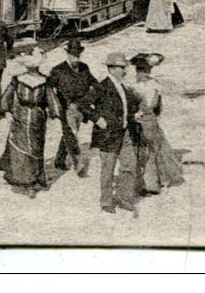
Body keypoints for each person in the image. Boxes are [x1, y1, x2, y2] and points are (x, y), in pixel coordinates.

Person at [0, 48, 62, 198]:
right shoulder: (18, 80)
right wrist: (7, 111)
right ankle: (26, 182)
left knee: (36, 148)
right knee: (20, 148)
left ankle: (36, 178)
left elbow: (52, 99)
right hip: (20, 117)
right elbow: (7, 96)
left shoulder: (45, 81)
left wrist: (56, 114)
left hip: (38, 119)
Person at [81, 52, 141, 214]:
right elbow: (84, 104)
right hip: (108, 136)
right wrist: (97, 119)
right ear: (112, 69)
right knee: (108, 169)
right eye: (122, 68)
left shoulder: (122, 87)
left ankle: (123, 197)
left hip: (125, 132)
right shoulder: (102, 86)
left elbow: (122, 110)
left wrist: (132, 116)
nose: (125, 71)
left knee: (129, 165)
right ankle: (106, 201)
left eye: (124, 67)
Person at [128, 54, 184, 196]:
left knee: (148, 152)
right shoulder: (143, 85)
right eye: (141, 70)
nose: (142, 73)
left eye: (144, 70)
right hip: (143, 120)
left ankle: (151, 184)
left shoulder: (145, 86)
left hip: (145, 120)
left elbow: (151, 105)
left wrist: (141, 112)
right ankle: (155, 181)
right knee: (150, 151)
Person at [48, 39, 95, 174]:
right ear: (67, 54)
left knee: (69, 134)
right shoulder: (58, 70)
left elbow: (94, 83)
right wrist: (55, 106)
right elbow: (49, 89)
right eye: (73, 55)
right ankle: (78, 164)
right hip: (66, 109)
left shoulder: (84, 68)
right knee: (71, 135)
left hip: (81, 108)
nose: (76, 58)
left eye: (78, 56)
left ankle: (59, 159)